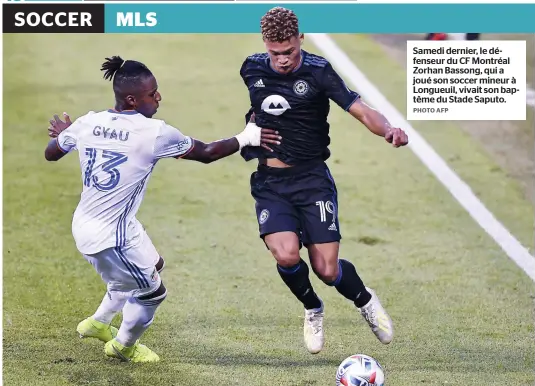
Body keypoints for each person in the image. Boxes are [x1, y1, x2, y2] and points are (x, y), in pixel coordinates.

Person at [45, 56, 281, 363]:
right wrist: (248, 136)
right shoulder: (153, 132)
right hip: (108, 237)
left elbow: (52, 154)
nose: (158, 97)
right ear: (132, 99)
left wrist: (68, 132)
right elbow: (207, 153)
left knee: (151, 266)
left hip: (103, 222)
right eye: (152, 93)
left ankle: (98, 322)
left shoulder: (87, 122)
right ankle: (122, 347)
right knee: (151, 293)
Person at [239, 7, 409, 354]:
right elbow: (259, 109)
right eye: (276, 53)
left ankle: (365, 301)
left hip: (312, 179)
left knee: (327, 269)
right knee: (286, 256)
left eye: (289, 51)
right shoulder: (251, 68)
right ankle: (312, 308)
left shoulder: (319, 72)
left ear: (301, 40)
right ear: (265, 46)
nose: (283, 60)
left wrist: (388, 130)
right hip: (271, 182)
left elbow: (360, 109)